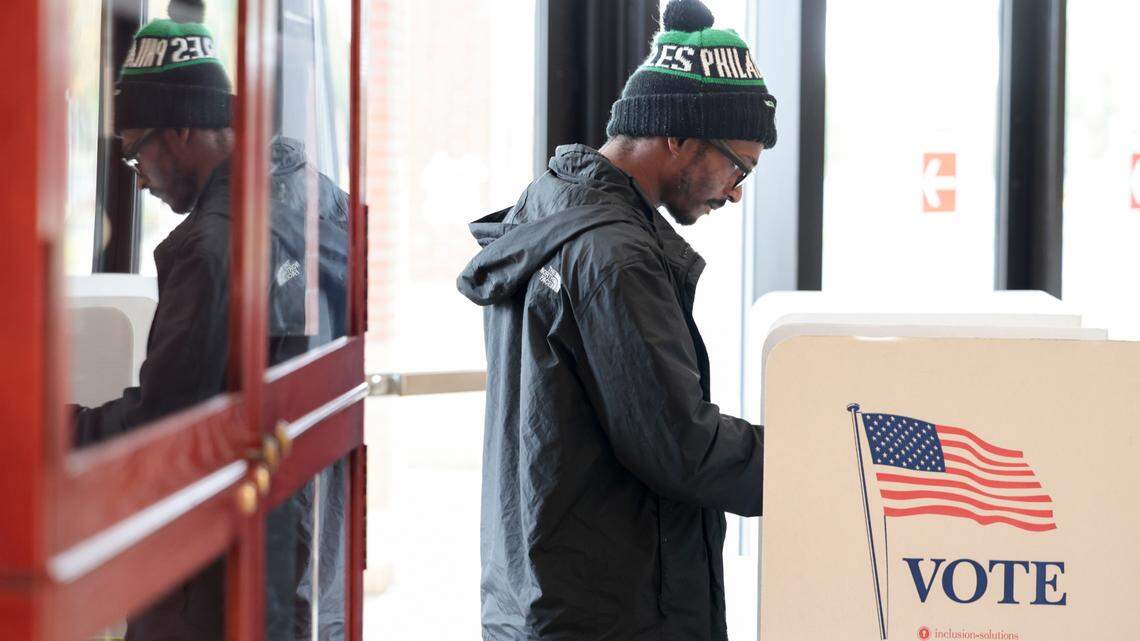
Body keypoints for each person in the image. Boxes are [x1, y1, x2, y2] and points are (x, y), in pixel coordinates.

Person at [456, 0, 774, 639]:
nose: (736, 191)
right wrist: (816, 460)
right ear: (678, 136)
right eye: (737, 167)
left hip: (540, 593)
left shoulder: (546, 205)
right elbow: (681, 445)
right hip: (611, 611)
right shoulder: (614, 256)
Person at [71, 1, 348, 639]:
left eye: (137, 157)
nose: (138, 183)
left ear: (183, 131)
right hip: (294, 534)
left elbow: (165, 427)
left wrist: (55, 431)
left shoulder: (211, 246)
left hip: (213, 560)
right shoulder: (314, 198)